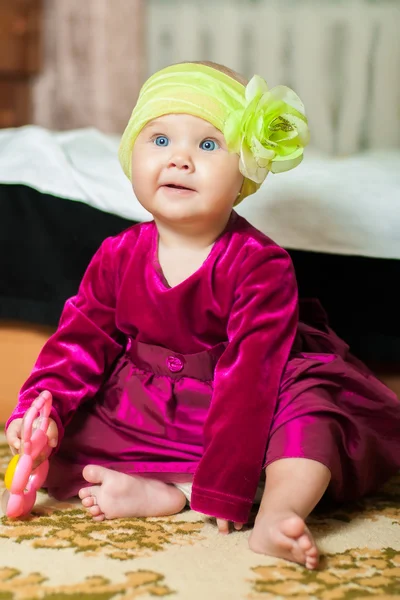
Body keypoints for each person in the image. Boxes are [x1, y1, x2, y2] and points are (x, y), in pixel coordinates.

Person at [5, 61, 400, 570]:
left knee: (314, 418)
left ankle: (277, 513)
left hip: (250, 400)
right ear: (132, 154)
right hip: (151, 400)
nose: (180, 160)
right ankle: (167, 491)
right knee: (72, 437)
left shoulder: (260, 263)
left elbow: (252, 377)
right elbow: (81, 339)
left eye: (208, 145)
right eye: (161, 140)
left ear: (244, 174)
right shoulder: (116, 253)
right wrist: (46, 408)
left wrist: (225, 487)